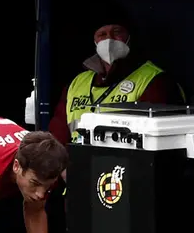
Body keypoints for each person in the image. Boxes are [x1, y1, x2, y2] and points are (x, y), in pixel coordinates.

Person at [47, 19, 185, 147]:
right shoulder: (76, 83)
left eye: (117, 32)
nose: (109, 39)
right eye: (102, 34)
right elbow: (58, 133)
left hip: (124, 167)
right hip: (76, 165)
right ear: (94, 40)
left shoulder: (154, 79)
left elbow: (155, 138)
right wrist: (63, 168)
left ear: (130, 36)